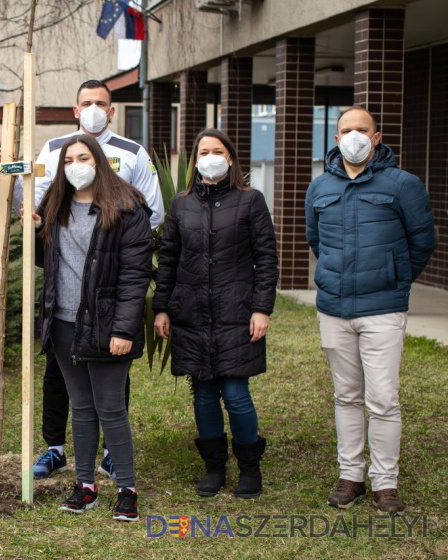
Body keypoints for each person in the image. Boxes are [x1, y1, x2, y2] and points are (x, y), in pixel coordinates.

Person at [16, 79, 164, 481]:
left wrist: (112, 242)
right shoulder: (52, 151)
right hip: (63, 309)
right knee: (65, 385)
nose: (95, 108)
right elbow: (32, 208)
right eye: (87, 102)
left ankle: (116, 461)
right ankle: (57, 449)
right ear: (75, 109)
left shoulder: (132, 154)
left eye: (102, 102)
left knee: (111, 392)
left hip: (108, 298)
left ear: (112, 109)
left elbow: (151, 214)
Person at [305, 106, 435, 514]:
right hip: (334, 308)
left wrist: (392, 277)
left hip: (382, 309)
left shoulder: (403, 185)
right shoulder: (320, 187)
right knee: (346, 395)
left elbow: (422, 242)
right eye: (346, 130)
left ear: (376, 138)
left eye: (362, 129)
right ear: (336, 136)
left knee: (383, 399)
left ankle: (386, 483)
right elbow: (316, 242)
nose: (354, 136)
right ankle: (351, 476)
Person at [27, 134, 153, 522]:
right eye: (68, 160)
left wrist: (124, 330)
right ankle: (85, 486)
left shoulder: (128, 208)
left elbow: (135, 277)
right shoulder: (54, 204)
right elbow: (46, 263)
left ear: (99, 161)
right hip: (63, 322)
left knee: (110, 407)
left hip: (107, 324)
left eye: (83, 158)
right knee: (80, 408)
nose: (75, 165)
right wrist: (32, 230)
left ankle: (127, 489)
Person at [153, 128, 278, 500]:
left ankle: (249, 467)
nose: (210, 156)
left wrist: (261, 309)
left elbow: (266, 259)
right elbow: (170, 260)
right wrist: (161, 307)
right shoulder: (181, 203)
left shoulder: (251, 200)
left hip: (236, 312)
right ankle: (213, 467)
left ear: (231, 158)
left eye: (218, 150)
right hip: (191, 313)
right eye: (203, 151)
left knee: (237, 395)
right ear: (195, 160)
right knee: (204, 396)